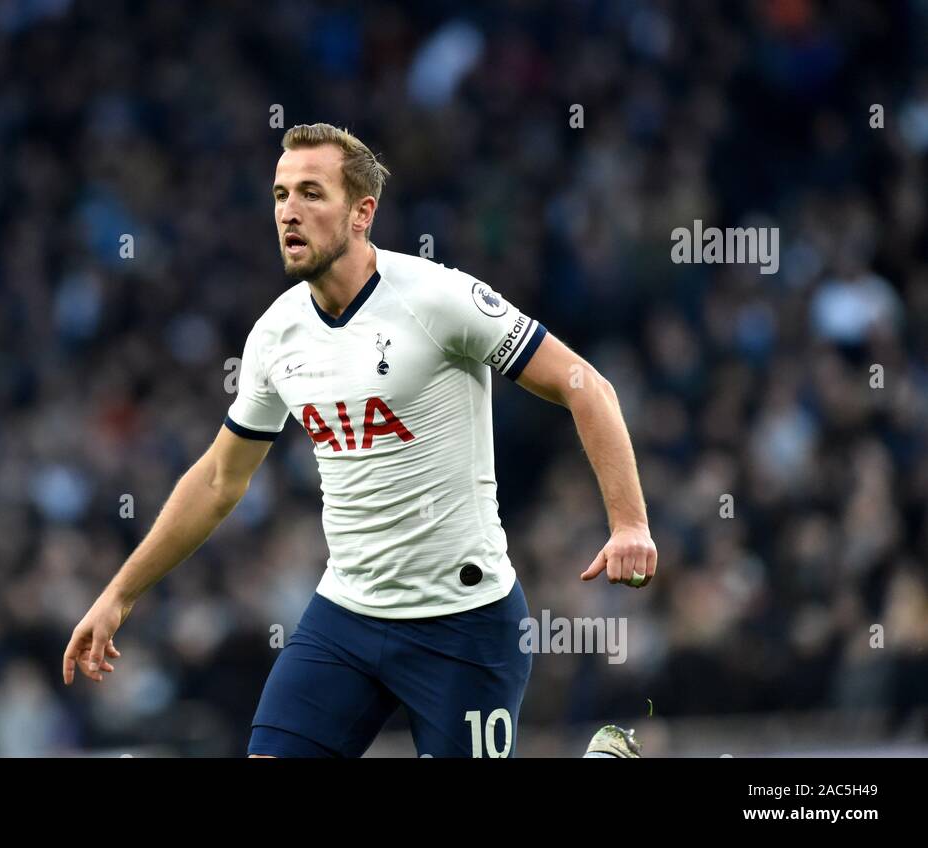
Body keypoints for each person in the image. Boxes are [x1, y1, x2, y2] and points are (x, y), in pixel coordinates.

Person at [64, 123, 657, 758]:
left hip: (463, 623)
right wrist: (119, 594)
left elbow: (584, 383)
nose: (289, 211)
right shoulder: (276, 334)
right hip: (345, 617)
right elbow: (218, 480)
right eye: (280, 194)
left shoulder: (438, 298)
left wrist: (628, 524)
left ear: (361, 213)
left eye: (312, 193)